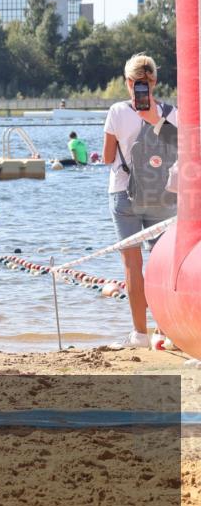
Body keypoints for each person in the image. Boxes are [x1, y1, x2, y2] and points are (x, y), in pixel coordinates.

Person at [102, 54, 177, 350]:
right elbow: (180, 149)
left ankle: (140, 335)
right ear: (155, 81)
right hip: (162, 195)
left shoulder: (117, 111)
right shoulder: (171, 113)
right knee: (162, 263)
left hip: (124, 193)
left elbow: (108, 157)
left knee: (133, 265)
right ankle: (166, 331)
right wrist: (156, 122)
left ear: (128, 83)